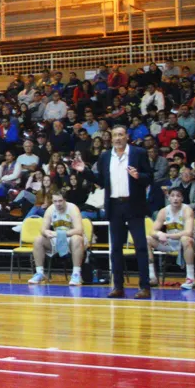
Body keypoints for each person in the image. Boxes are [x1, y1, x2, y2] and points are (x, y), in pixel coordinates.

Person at [73, 126, 153, 299]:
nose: (117, 138)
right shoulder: (105, 156)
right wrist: (84, 171)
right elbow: (101, 181)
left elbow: (150, 177)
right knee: (115, 248)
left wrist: (139, 176)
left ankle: (145, 287)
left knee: (140, 247)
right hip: (115, 206)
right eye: (115, 135)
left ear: (127, 137)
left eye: (120, 135)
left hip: (134, 204)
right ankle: (118, 286)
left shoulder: (138, 153)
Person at [146, 188, 195, 290]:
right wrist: (159, 234)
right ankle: (152, 277)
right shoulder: (163, 211)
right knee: (147, 239)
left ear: (182, 198)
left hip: (190, 243)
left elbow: (188, 232)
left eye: (178, 196)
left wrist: (166, 236)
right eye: (173, 196)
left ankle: (190, 279)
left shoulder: (187, 210)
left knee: (185, 239)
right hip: (171, 243)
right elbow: (152, 231)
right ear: (168, 198)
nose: (175, 198)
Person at [28, 192, 86, 287]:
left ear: (65, 200)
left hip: (71, 238)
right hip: (56, 238)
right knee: (38, 239)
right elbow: (42, 229)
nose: (58, 204)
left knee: (77, 239)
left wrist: (60, 234)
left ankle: (76, 274)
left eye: (60, 201)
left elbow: (79, 230)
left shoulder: (73, 208)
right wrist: (45, 232)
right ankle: (40, 273)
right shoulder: (50, 209)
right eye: (55, 201)